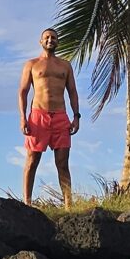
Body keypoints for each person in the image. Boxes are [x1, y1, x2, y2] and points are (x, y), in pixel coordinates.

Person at [18, 27, 81, 207]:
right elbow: (22, 92)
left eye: (53, 37)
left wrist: (76, 116)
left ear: (57, 42)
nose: (50, 40)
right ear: (41, 41)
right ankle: (27, 203)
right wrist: (23, 118)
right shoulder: (31, 64)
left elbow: (73, 92)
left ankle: (69, 205)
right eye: (46, 37)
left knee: (62, 163)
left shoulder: (65, 65)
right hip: (38, 116)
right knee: (32, 160)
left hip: (61, 116)